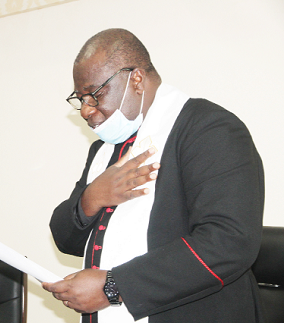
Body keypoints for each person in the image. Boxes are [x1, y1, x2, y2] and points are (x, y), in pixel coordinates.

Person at [42, 29, 264, 323]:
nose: (85, 110)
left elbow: (229, 242)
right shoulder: (106, 149)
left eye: (95, 95)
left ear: (135, 79)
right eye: (80, 99)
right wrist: (92, 197)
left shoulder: (209, 128)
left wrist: (114, 286)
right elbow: (66, 239)